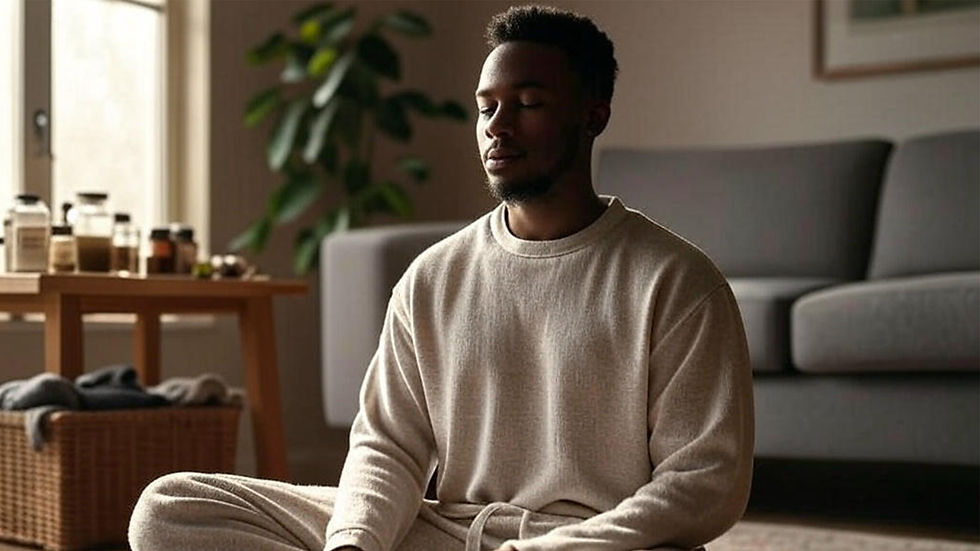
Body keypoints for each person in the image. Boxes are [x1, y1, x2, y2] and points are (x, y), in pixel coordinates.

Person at [128, 5, 753, 551]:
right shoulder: (432, 276)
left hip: (597, 541)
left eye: (528, 104)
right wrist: (354, 543)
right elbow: (389, 447)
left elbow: (705, 483)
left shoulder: (676, 282)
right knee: (171, 508)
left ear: (593, 115)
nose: (498, 126)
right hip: (453, 532)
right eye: (486, 108)